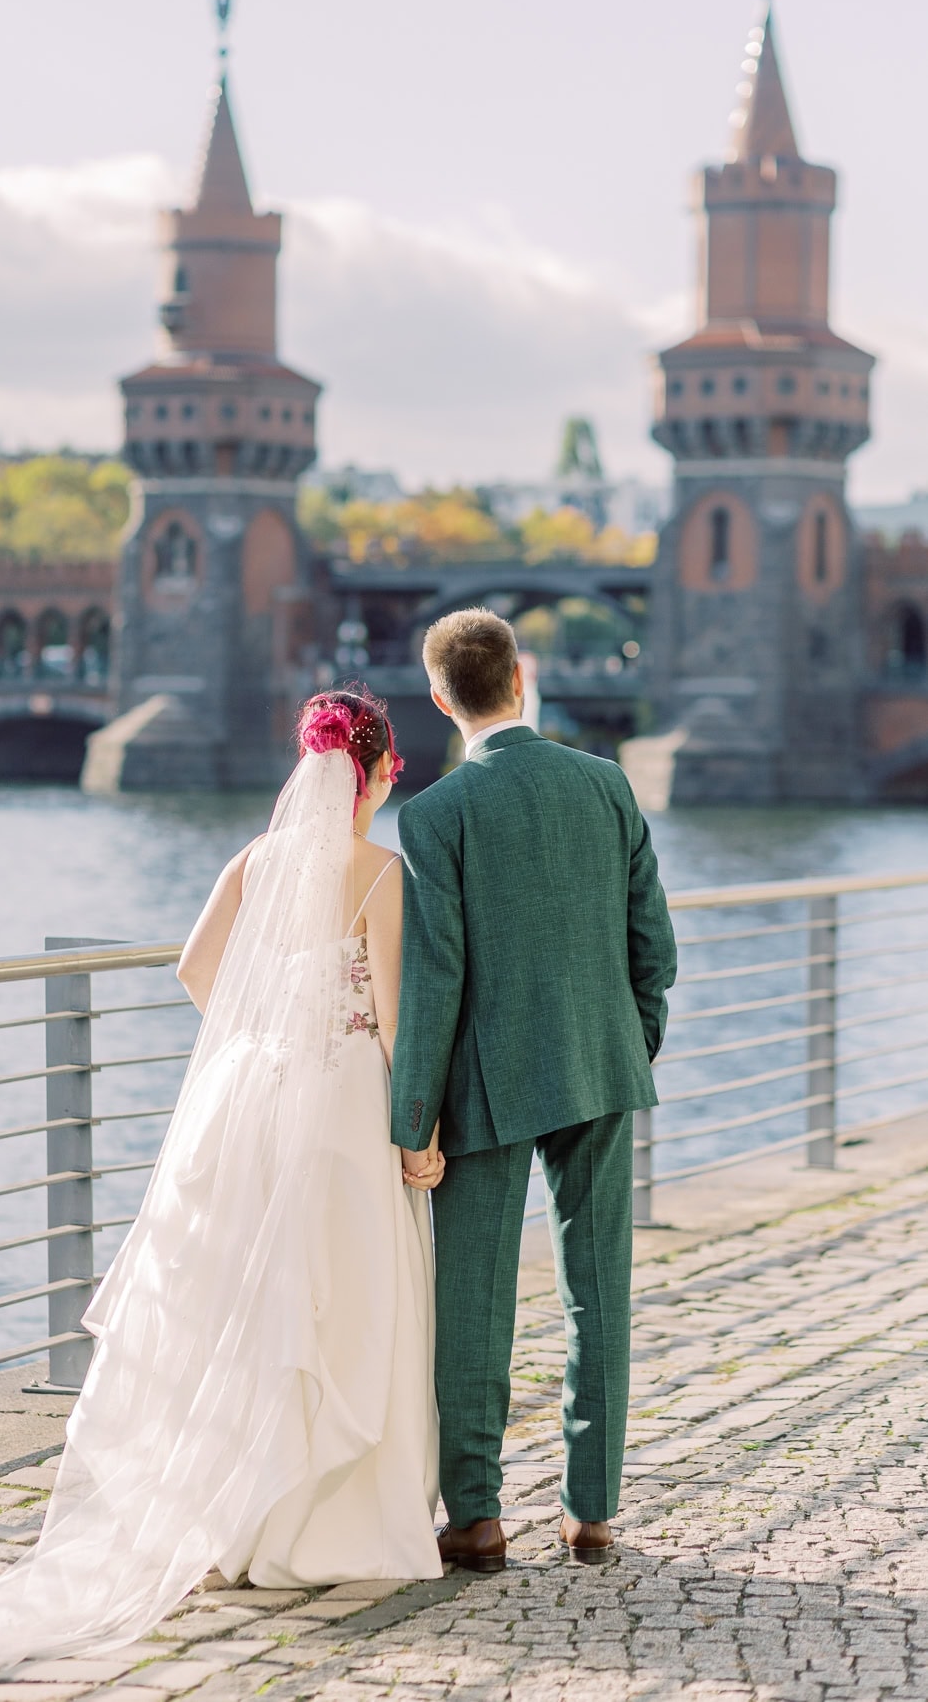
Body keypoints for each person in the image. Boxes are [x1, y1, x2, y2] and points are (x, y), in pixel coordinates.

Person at [0, 691, 443, 1672]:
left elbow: (193, 970)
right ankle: (319, 1526)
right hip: (339, 1101)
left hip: (243, 1094)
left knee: (228, 1304)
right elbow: (394, 1018)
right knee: (336, 1304)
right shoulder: (379, 873)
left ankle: (222, 1521)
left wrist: (261, 1031)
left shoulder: (254, 864)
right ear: (379, 773)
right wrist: (415, 1135)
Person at [391, 609, 677, 1571]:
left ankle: (475, 1516)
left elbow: (437, 979)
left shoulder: (433, 815)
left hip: (484, 1085)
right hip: (600, 1066)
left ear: (442, 700)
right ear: (522, 677)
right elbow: (655, 950)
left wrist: (410, 1120)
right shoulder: (607, 785)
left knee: (473, 1303)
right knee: (600, 1292)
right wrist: (627, 1048)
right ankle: (591, 1509)